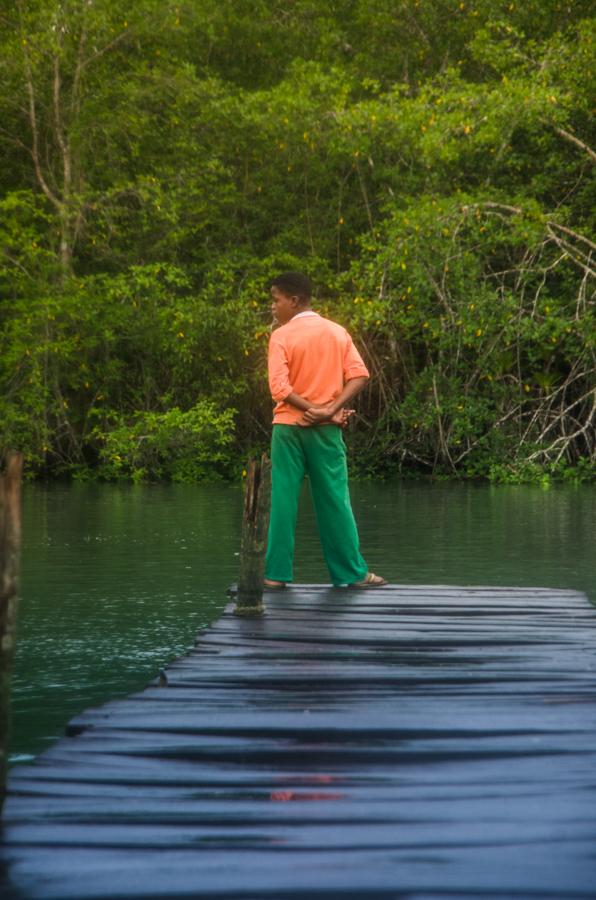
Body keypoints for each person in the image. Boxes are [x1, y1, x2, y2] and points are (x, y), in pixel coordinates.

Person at [263, 271, 386, 589]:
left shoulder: (281, 336)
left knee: (283, 502)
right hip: (327, 430)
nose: (272, 307)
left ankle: (275, 577)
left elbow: (279, 388)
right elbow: (359, 375)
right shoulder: (336, 332)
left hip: (289, 429)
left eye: (275, 300)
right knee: (334, 500)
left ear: (294, 300)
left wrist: (311, 410)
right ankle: (351, 574)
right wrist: (329, 410)